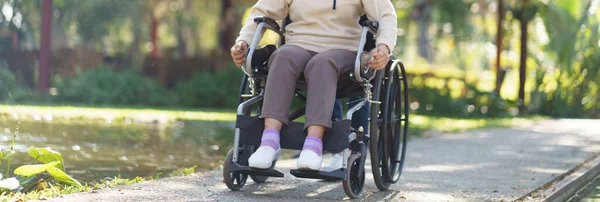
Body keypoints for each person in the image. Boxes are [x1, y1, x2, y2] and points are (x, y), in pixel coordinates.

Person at [230, 0, 397, 171]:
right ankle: (269, 142)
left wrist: (384, 46)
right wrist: (244, 41)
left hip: (343, 50)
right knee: (282, 56)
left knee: (322, 63)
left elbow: (386, 15)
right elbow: (261, 12)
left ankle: (313, 145)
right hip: (298, 45)